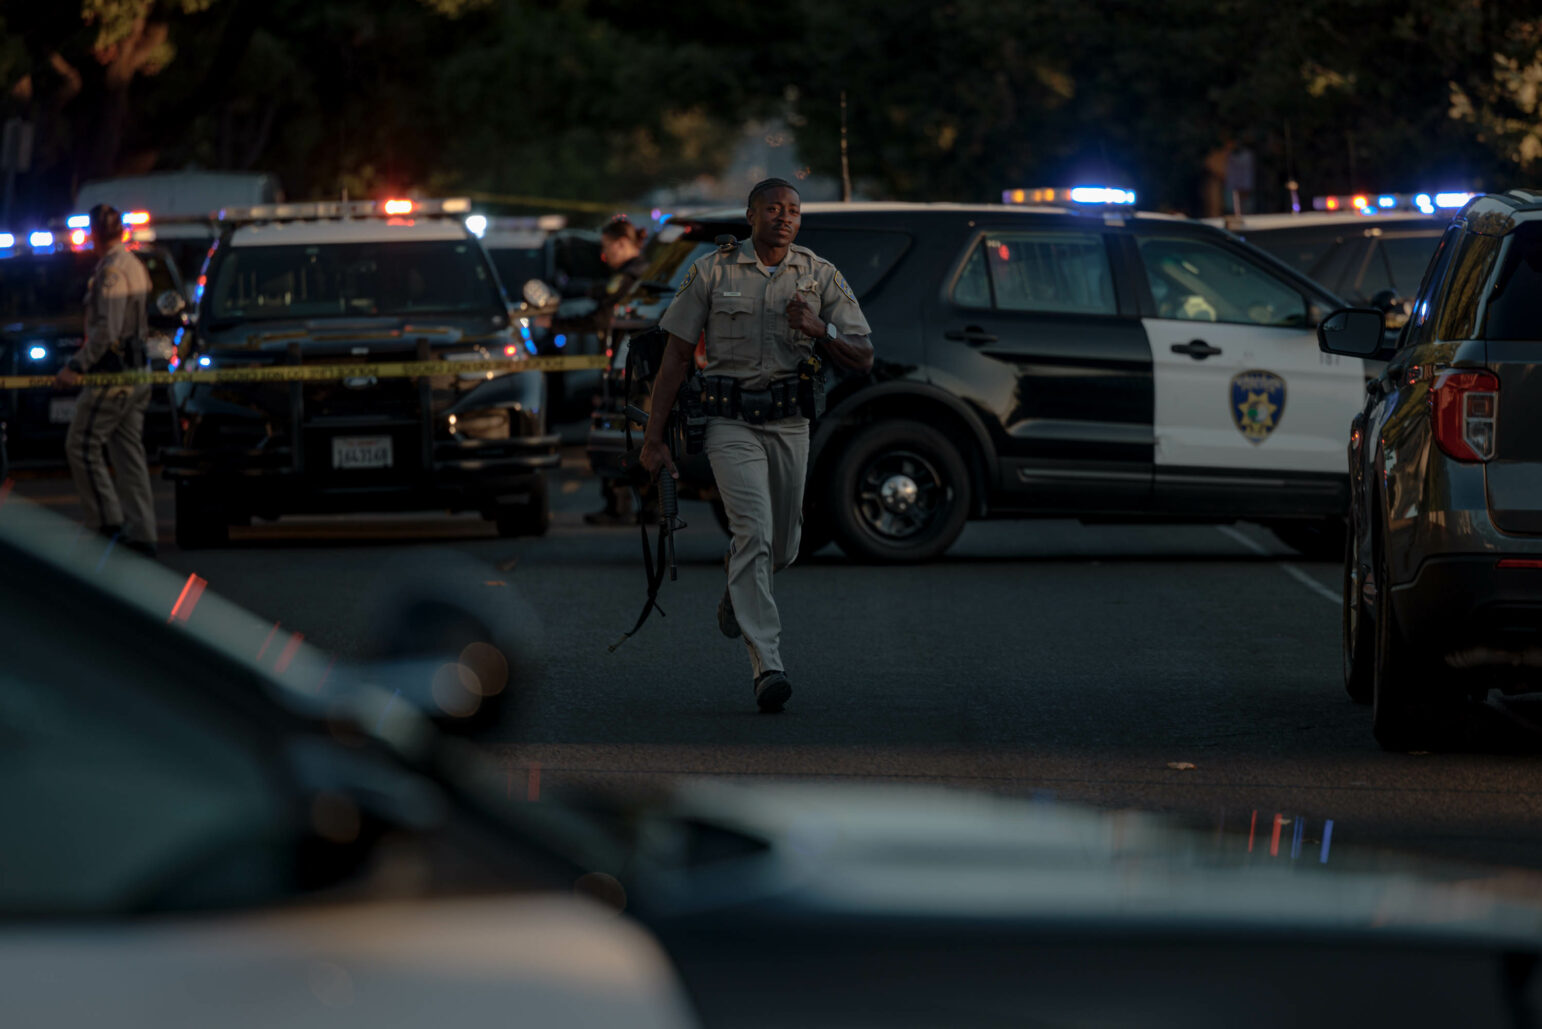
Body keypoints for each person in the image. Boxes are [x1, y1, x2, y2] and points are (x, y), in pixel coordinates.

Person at [640, 179, 873, 712]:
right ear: (751, 216)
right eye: (773, 208)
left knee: (785, 546)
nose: (784, 217)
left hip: (790, 423)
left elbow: (863, 354)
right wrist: (654, 440)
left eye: (792, 210)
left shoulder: (819, 274)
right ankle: (767, 664)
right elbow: (674, 358)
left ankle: (736, 593)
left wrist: (820, 329)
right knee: (754, 533)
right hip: (730, 423)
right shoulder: (711, 271)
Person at [55, 203, 158, 558]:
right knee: (128, 451)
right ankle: (143, 532)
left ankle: (107, 523)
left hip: (113, 377)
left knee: (81, 445)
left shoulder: (111, 271)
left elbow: (106, 332)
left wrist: (76, 366)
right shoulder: (135, 264)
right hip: (137, 373)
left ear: (95, 234)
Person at [584, 215, 656, 526]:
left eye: (606, 248)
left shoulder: (631, 276)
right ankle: (634, 504)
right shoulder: (646, 272)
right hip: (632, 370)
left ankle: (633, 505)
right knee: (630, 435)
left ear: (623, 244)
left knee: (632, 435)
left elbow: (604, 318)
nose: (605, 255)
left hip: (633, 373)